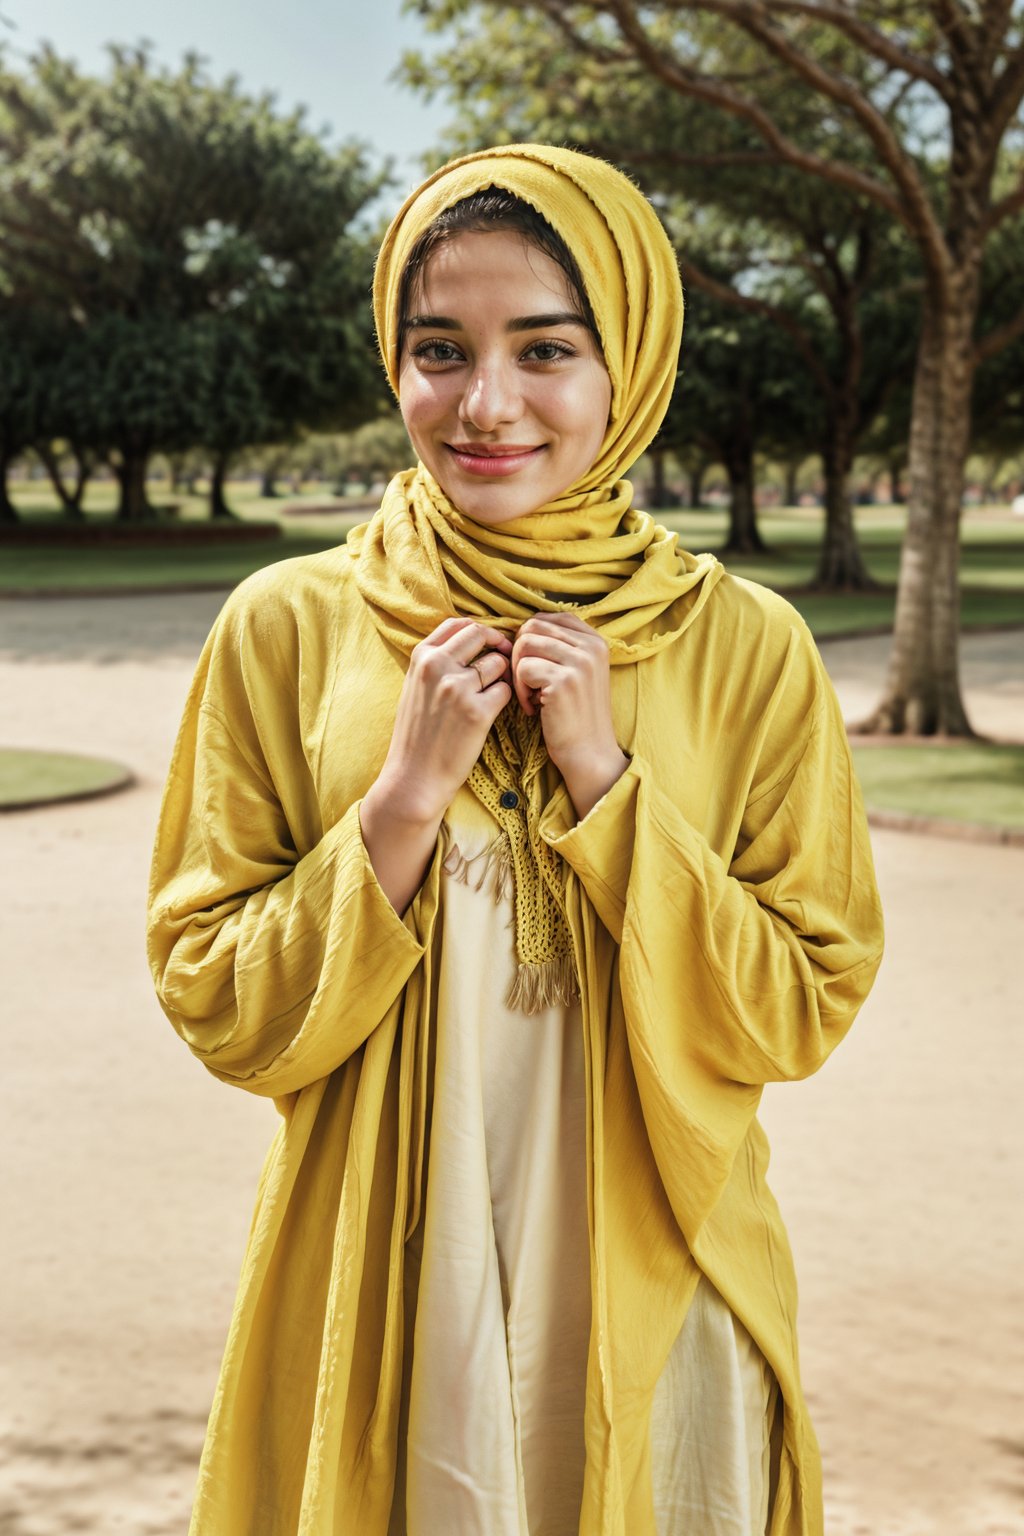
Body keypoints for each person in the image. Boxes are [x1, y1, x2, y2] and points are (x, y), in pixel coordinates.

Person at [147, 143, 884, 1536]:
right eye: (441, 349)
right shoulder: (288, 626)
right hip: (379, 1287)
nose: (483, 403)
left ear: (632, 367)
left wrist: (608, 791)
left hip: (662, 1288)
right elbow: (213, 987)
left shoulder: (746, 648)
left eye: (545, 348)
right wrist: (403, 802)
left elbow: (802, 1004)